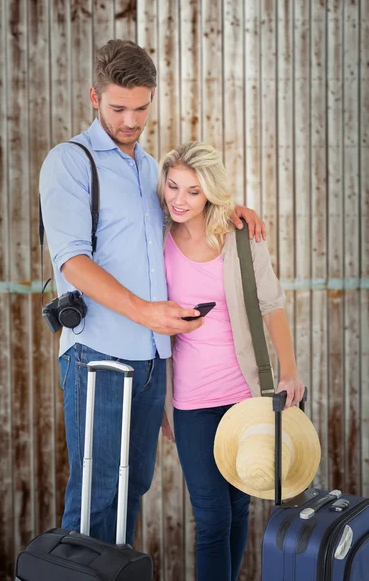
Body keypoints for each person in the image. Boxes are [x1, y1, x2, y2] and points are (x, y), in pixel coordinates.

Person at [39, 39, 265, 546]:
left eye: (141, 108)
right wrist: (146, 313)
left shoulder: (147, 169)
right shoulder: (70, 162)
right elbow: (72, 261)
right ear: (94, 97)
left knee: (131, 490)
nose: (131, 119)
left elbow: (183, 214)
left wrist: (230, 212)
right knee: (98, 494)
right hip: (98, 358)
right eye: (119, 108)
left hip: (150, 363)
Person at [157, 141, 305, 581]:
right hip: (191, 402)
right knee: (212, 516)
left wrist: (290, 370)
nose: (180, 200)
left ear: (211, 194)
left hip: (245, 395)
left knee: (240, 506)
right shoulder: (156, 237)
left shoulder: (240, 237)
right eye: (173, 187)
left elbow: (271, 304)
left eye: (194, 191)